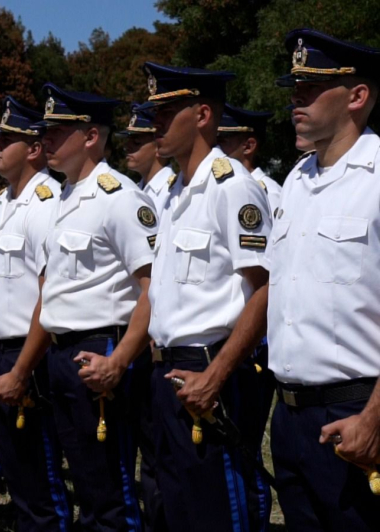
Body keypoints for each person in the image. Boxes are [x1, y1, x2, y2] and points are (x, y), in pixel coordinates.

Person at [143, 61, 272, 532]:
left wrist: (216, 376)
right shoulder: (174, 191)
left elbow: (265, 288)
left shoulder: (231, 185)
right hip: (169, 373)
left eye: (166, 110)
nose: (154, 121)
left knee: (218, 512)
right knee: (179, 510)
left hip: (211, 373)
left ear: (201, 115)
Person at [266, 28, 380, 531]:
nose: (297, 100)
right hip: (290, 417)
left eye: (311, 89)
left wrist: (374, 419)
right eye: (295, 89)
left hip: (356, 411)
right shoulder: (296, 179)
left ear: (357, 96)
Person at [0, 96, 71, 531]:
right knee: (18, 477)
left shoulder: (46, 203)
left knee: (41, 480)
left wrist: (22, 368)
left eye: (6, 139)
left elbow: (47, 293)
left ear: (33, 149)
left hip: (26, 360)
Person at [217, 104, 282, 212]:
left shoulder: (270, 194)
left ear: (248, 146)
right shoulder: (219, 186)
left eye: (222, 142)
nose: (216, 148)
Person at [118, 103, 175, 210]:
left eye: (136, 142)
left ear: (159, 146)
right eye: (128, 143)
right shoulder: (136, 187)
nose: (127, 148)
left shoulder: (172, 192)